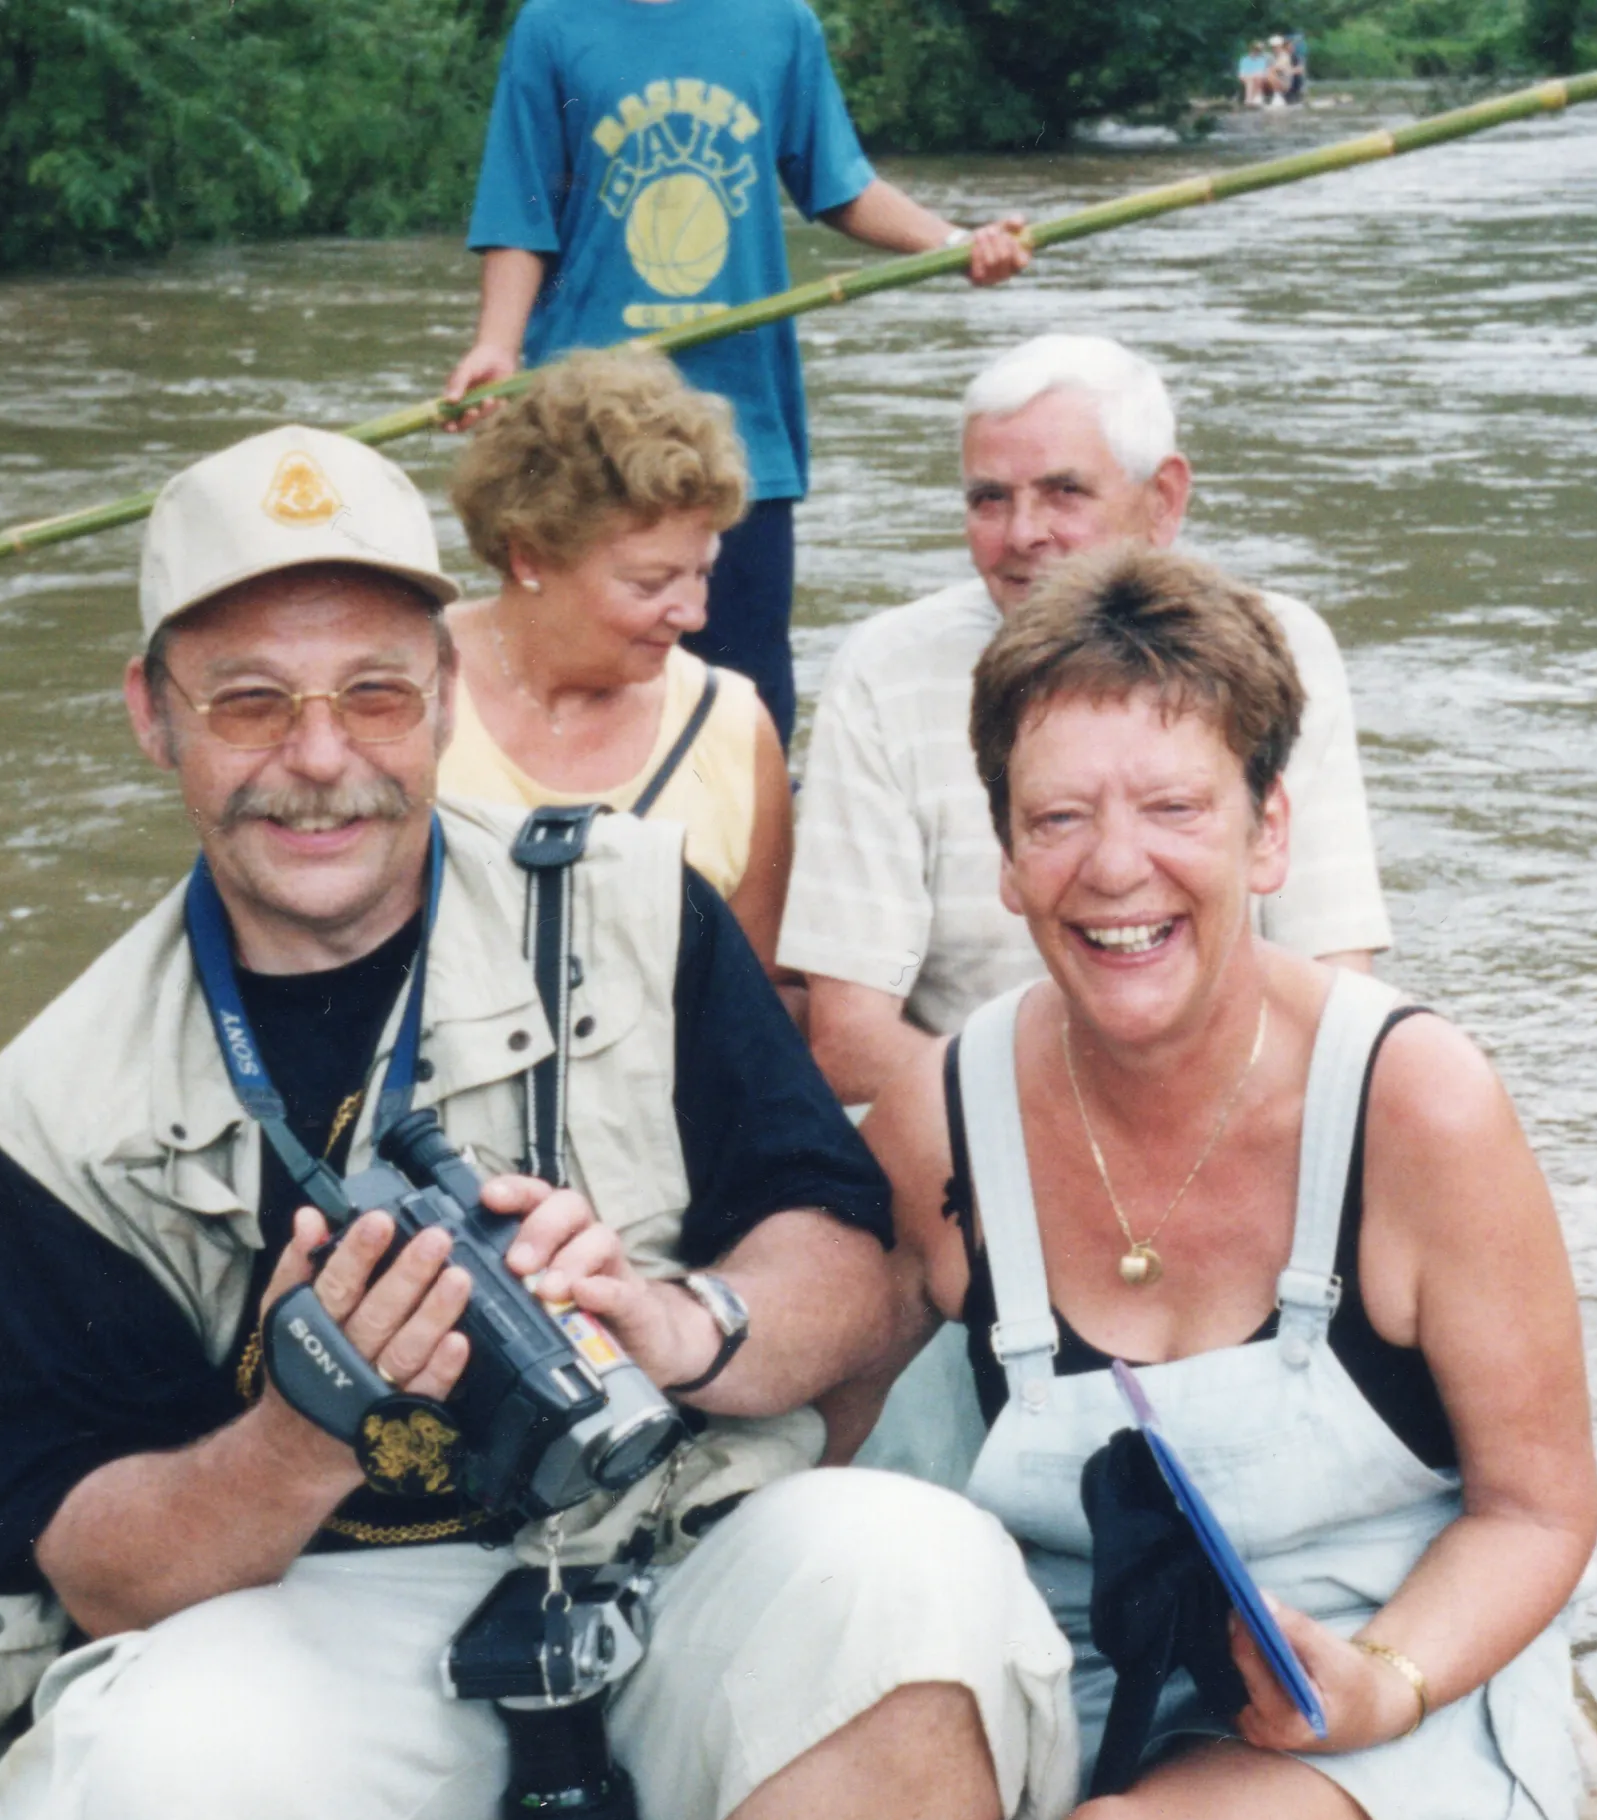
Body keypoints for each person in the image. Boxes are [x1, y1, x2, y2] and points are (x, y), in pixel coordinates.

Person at [0, 423, 1076, 1820]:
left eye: (376, 696)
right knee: (128, 1801)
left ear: (447, 697)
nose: (319, 764)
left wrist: (681, 1320)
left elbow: (846, 1258)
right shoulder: (57, 1106)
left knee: (914, 1568)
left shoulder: (632, 904)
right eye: (249, 703)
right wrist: (301, 1428)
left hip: (671, 1567)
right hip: (315, 1645)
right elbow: (80, 1557)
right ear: (151, 715)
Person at [860, 548, 1597, 1820]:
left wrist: (1385, 1675)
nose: (1113, 869)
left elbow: (1541, 1512)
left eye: (1175, 808)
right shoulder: (949, 1112)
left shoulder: (1417, 1107)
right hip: (1107, 1695)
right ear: (1001, 857)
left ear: (1274, 829)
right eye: (1057, 818)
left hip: (1395, 1695)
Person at [780, 333, 1393, 1114]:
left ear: (1164, 499)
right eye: (988, 498)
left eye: (1063, 492)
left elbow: (1335, 988)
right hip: (980, 1122)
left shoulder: (1281, 646)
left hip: (1236, 1116)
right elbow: (851, 1042)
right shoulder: (884, 670)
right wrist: (1075, 1145)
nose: (1023, 533)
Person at [444, 0, 1036, 739]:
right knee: (581, 687)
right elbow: (520, 212)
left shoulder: (781, 24)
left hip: (743, 438)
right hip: (587, 438)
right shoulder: (552, 26)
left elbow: (842, 186)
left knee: (742, 706)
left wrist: (955, 243)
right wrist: (496, 345)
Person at [441, 346, 796, 967]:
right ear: (528, 558)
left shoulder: (734, 725)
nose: (694, 615)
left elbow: (760, 1005)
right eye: (650, 584)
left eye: (702, 573)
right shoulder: (397, 688)